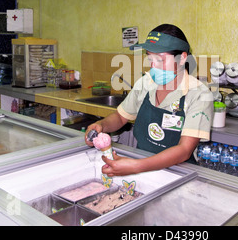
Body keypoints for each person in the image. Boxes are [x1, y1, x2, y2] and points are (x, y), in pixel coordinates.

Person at [85, 24, 213, 176]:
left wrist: (137, 166)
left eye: (160, 59)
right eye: (150, 58)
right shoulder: (146, 83)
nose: (153, 66)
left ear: (182, 58)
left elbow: (184, 150)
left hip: (178, 174)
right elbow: (120, 117)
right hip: (141, 166)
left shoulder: (198, 95)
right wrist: (101, 125)